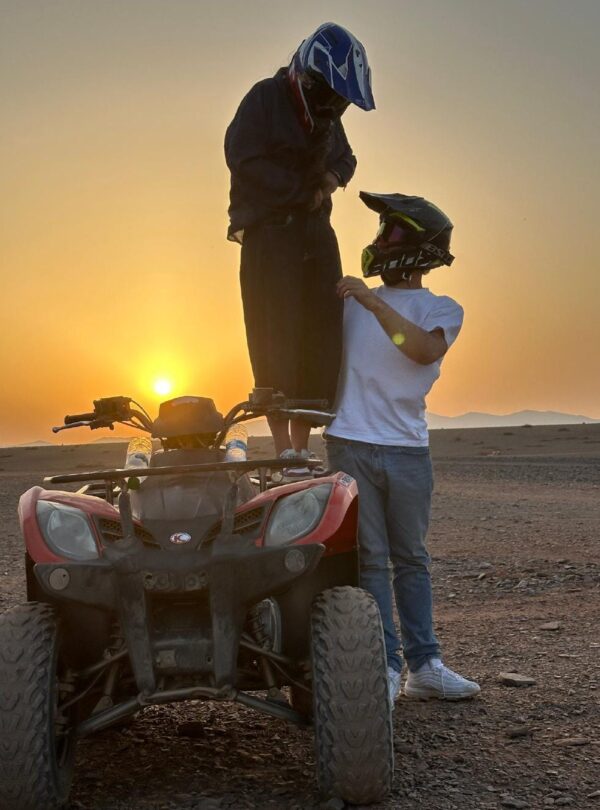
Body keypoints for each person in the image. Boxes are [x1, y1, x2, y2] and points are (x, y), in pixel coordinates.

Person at [325, 191, 481, 702]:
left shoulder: (441, 308)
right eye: (381, 231)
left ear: (419, 245)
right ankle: (386, 667)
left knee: (411, 557)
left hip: (407, 448)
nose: (381, 241)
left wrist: (372, 302)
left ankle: (425, 667)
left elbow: (421, 351)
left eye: (391, 231)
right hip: (349, 442)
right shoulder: (347, 303)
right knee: (370, 559)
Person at [224, 22, 375, 472]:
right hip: (269, 235)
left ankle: (303, 448)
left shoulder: (326, 118)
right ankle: (282, 450)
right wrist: (297, 192)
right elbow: (242, 157)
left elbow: (346, 159)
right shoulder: (265, 98)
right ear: (310, 78)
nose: (337, 105)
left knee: (320, 333)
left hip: (315, 234)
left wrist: (328, 181)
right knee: (275, 335)